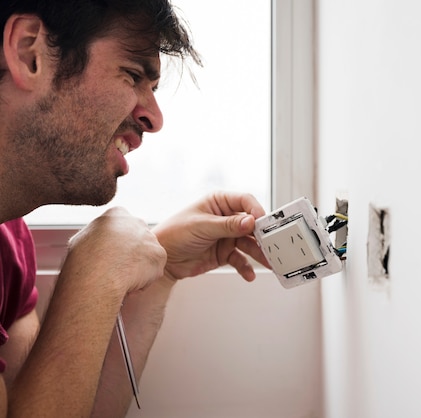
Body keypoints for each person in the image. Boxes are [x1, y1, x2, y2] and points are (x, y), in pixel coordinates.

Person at [0, 1, 270, 416]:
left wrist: (158, 271)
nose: (154, 118)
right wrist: (93, 273)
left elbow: (44, 405)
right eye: (132, 74)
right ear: (29, 52)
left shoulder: (9, 242)